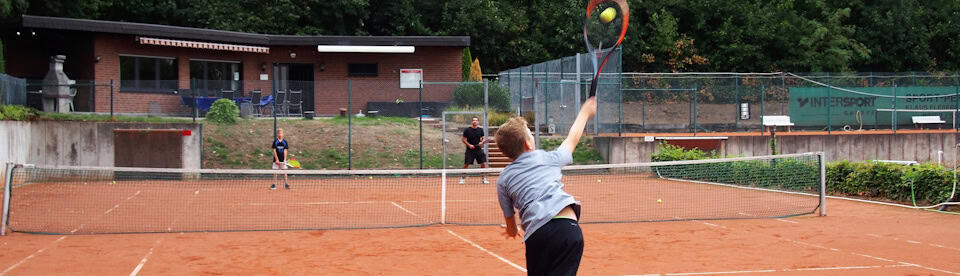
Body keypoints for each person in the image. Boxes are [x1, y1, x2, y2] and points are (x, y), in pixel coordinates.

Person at [493, 96, 597, 276]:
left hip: (537, 237)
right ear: (528, 144)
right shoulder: (547, 158)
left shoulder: (503, 179)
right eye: (531, 135)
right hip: (567, 230)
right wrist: (584, 113)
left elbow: (510, 222)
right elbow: (572, 138)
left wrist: (512, 229)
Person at [461, 116, 488, 184]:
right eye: (473, 120)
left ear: (478, 122)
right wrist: (469, 145)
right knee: (466, 164)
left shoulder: (480, 130)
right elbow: (463, 139)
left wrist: (482, 142)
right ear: (472, 122)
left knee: (483, 164)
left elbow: (483, 138)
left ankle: (483, 179)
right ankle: (462, 178)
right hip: (469, 150)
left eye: (476, 120)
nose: (475, 121)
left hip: (478, 149)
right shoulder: (467, 130)